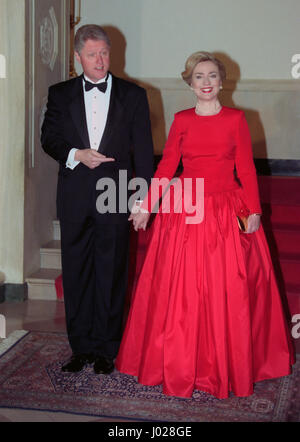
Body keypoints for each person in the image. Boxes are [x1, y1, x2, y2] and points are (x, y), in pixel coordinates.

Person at [115, 52, 295, 399]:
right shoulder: (181, 120)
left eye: (212, 75)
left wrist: (254, 210)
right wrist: (146, 206)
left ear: (222, 81)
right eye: (199, 76)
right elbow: (167, 167)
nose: (207, 82)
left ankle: (223, 365)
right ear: (190, 82)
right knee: (181, 292)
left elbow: (245, 168)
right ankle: (181, 364)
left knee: (225, 289)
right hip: (186, 209)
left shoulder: (236, 119)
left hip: (226, 209)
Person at [41, 24, 153, 375]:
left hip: (116, 193)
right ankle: (81, 347)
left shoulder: (133, 95)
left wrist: (142, 199)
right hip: (74, 195)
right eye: (92, 54)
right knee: (76, 272)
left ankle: (107, 349)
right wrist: (76, 153)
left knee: (112, 271)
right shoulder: (59, 93)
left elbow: (146, 154)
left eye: (104, 52)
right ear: (77, 58)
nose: (100, 60)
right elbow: (49, 138)